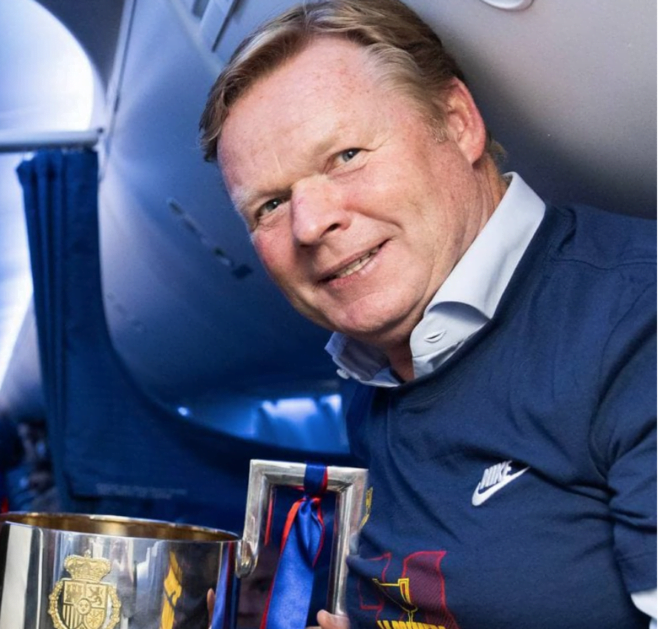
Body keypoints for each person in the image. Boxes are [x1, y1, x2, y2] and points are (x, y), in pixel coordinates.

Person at [199, 1, 656, 628]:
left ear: (458, 123)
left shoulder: (637, 317)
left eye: (347, 155)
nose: (309, 224)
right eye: (270, 205)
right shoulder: (375, 378)